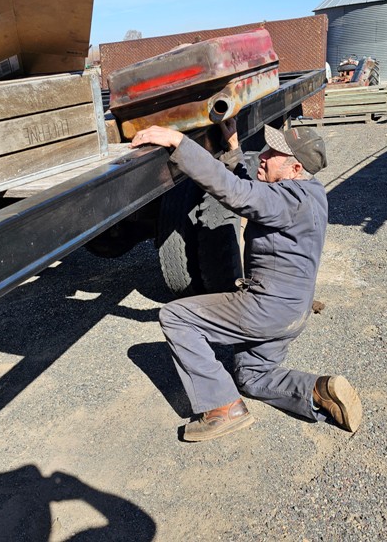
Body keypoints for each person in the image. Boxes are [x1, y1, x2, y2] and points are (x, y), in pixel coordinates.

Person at [130, 119, 362, 442]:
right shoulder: (313, 194)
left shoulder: (286, 200)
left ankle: (222, 408)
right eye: (266, 148)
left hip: (266, 310)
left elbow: (237, 193)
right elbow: (254, 192)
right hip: (294, 313)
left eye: (274, 153)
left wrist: (180, 143)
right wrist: (235, 150)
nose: (263, 155)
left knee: (175, 317)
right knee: (251, 375)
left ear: (295, 169)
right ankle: (316, 392)